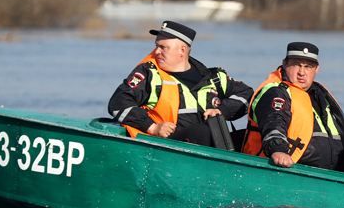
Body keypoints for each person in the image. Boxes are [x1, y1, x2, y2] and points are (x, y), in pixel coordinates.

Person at [108, 20, 253, 146]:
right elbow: (118, 103)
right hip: (168, 148)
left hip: (213, 148)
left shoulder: (214, 77)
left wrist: (222, 111)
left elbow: (248, 95)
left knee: (248, 136)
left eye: (163, 47)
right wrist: (153, 127)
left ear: (182, 50)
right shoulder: (150, 74)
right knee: (201, 131)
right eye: (156, 46)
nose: (156, 51)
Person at [242, 42, 344, 171]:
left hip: (329, 176)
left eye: (308, 67)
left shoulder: (320, 96)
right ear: (285, 64)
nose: (302, 72)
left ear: (316, 69)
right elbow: (274, 121)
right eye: (296, 65)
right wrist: (278, 150)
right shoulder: (276, 92)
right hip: (287, 171)